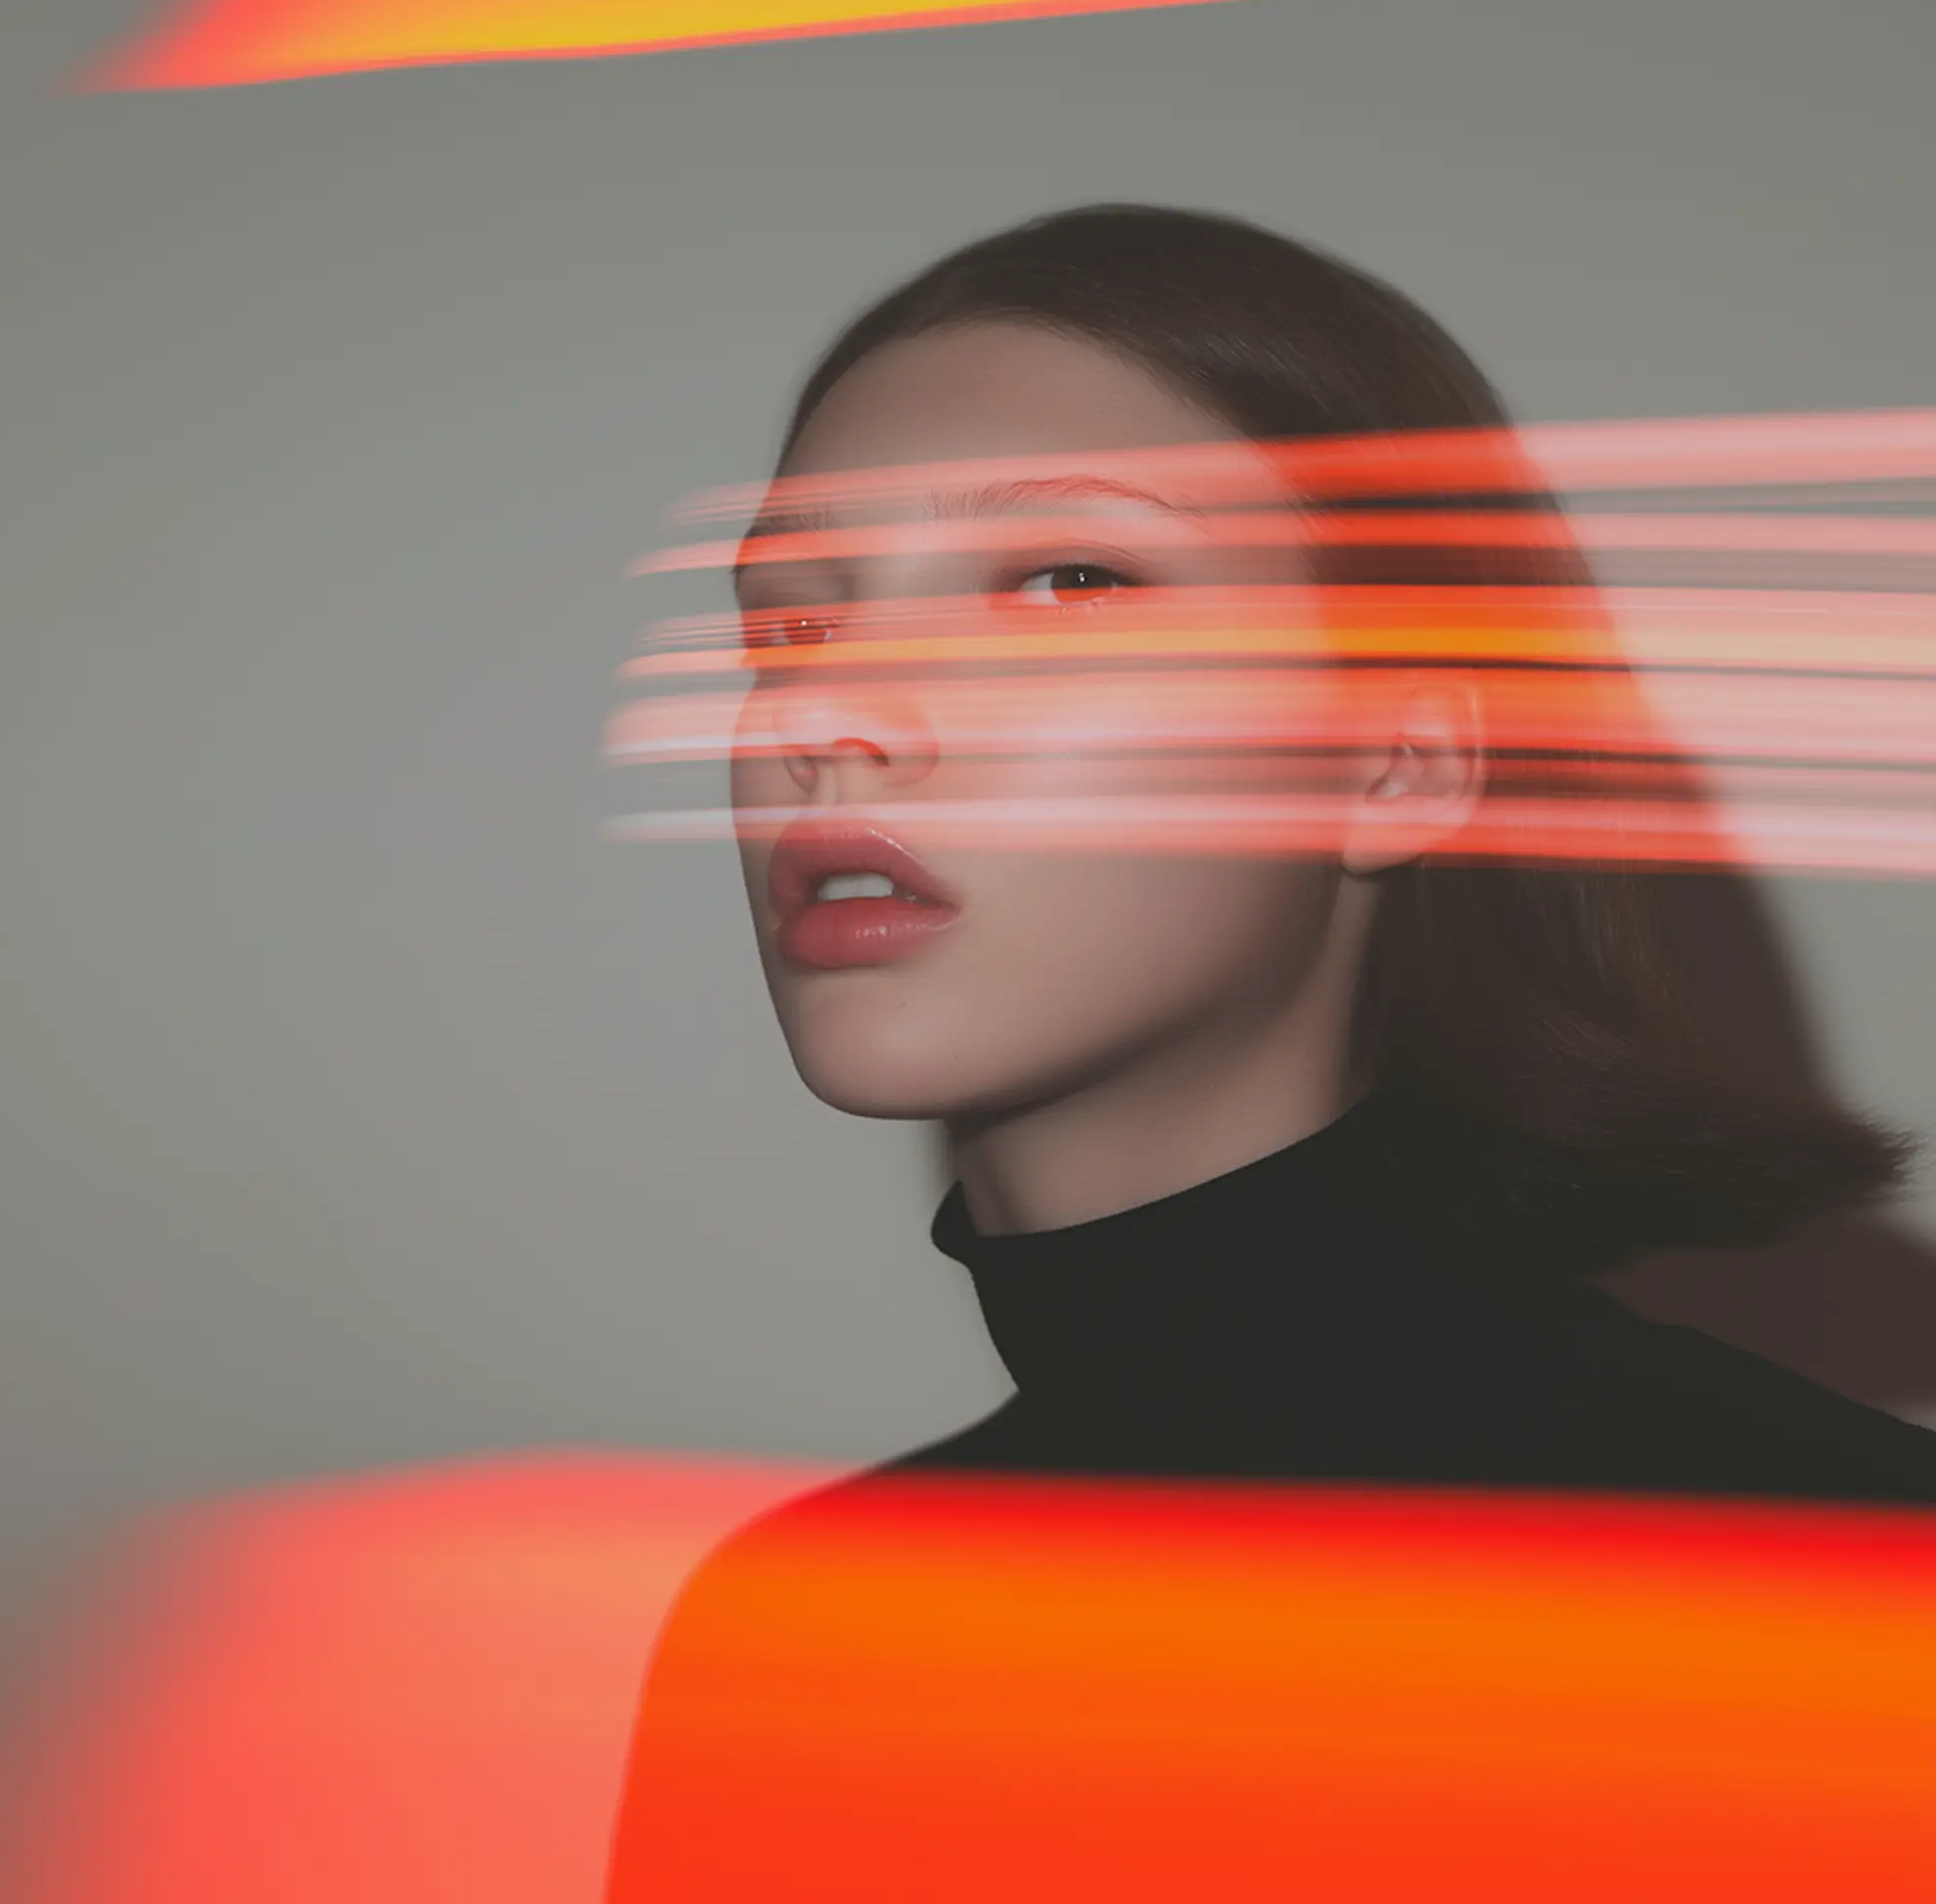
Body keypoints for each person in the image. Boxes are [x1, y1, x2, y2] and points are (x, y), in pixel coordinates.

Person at [716, 202, 1936, 1502]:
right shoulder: (794, 1623)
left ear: (1399, 766)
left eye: (1068, 583)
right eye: (794, 628)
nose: (829, 711)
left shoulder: (1855, 1583)